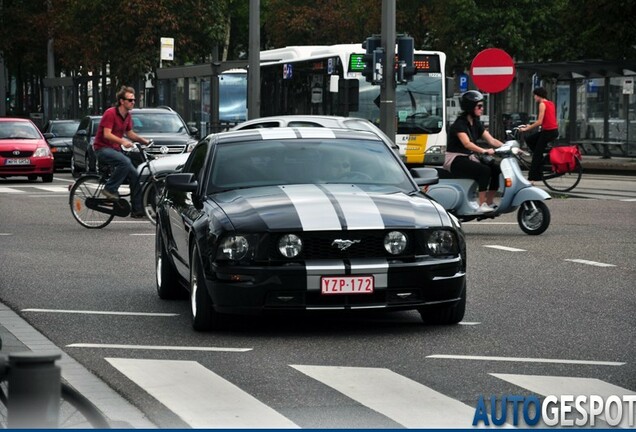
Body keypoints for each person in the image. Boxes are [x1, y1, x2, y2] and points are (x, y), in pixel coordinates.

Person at [93, 86, 151, 218]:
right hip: (102, 149)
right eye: (130, 100)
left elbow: (130, 133)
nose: (133, 102)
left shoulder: (127, 116)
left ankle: (137, 210)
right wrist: (122, 142)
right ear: (121, 101)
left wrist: (144, 141)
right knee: (125, 162)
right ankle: (109, 189)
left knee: (135, 175)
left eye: (134, 100)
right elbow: (106, 134)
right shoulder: (110, 113)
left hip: (115, 149)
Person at [444, 90, 504, 213]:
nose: (482, 109)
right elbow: (467, 143)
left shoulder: (476, 123)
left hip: (467, 157)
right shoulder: (459, 124)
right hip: (455, 159)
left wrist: (508, 147)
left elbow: (491, 140)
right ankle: (482, 205)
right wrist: (484, 151)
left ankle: (489, 201)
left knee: (496, 169)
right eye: (479, 106)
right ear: (470, 107)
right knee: (484, 170)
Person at [519, 87, 559, 183]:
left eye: (534, 95)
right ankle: (541, 157)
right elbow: (547, 119)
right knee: (529, 139)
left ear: (538, 95)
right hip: (552, 131)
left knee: (536, 155)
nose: (534, 98)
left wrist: (526, 128)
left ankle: (532, 177)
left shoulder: (542, 104)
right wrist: (530, 125)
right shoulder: (551, 103)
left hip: (548, 132)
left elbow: (540, 121)